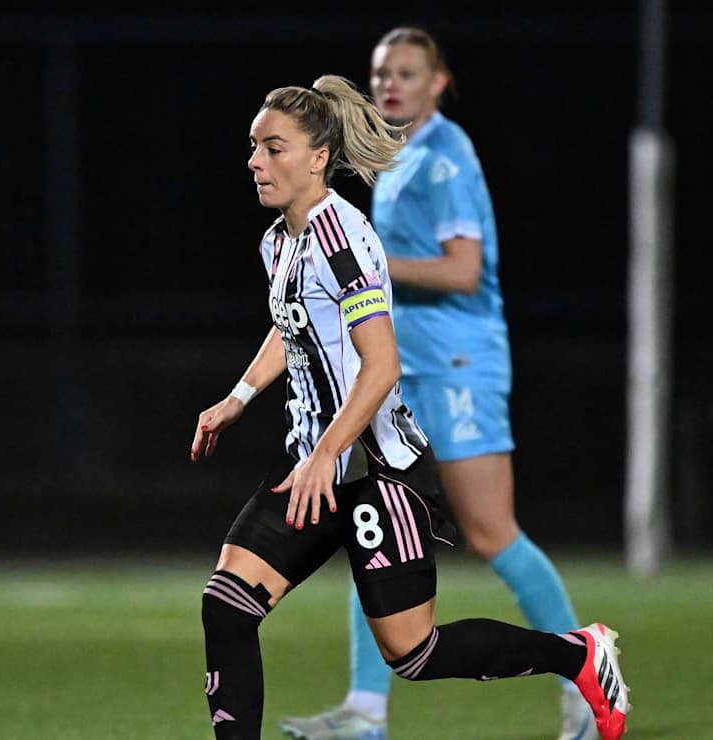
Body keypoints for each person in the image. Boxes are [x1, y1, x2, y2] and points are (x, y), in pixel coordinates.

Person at [191, 73, 629, 740]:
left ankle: (578, 654)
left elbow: (382, 364)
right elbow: (293, 324)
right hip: (317, 468)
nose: (255, 161)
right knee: (226, 605)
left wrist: (327, 453)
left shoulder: (342, 239)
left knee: (414, 653)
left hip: (377, 473)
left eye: (273, 148)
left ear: (318, 158)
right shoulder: (278, 240)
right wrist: (238, 397)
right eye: (254, 147)